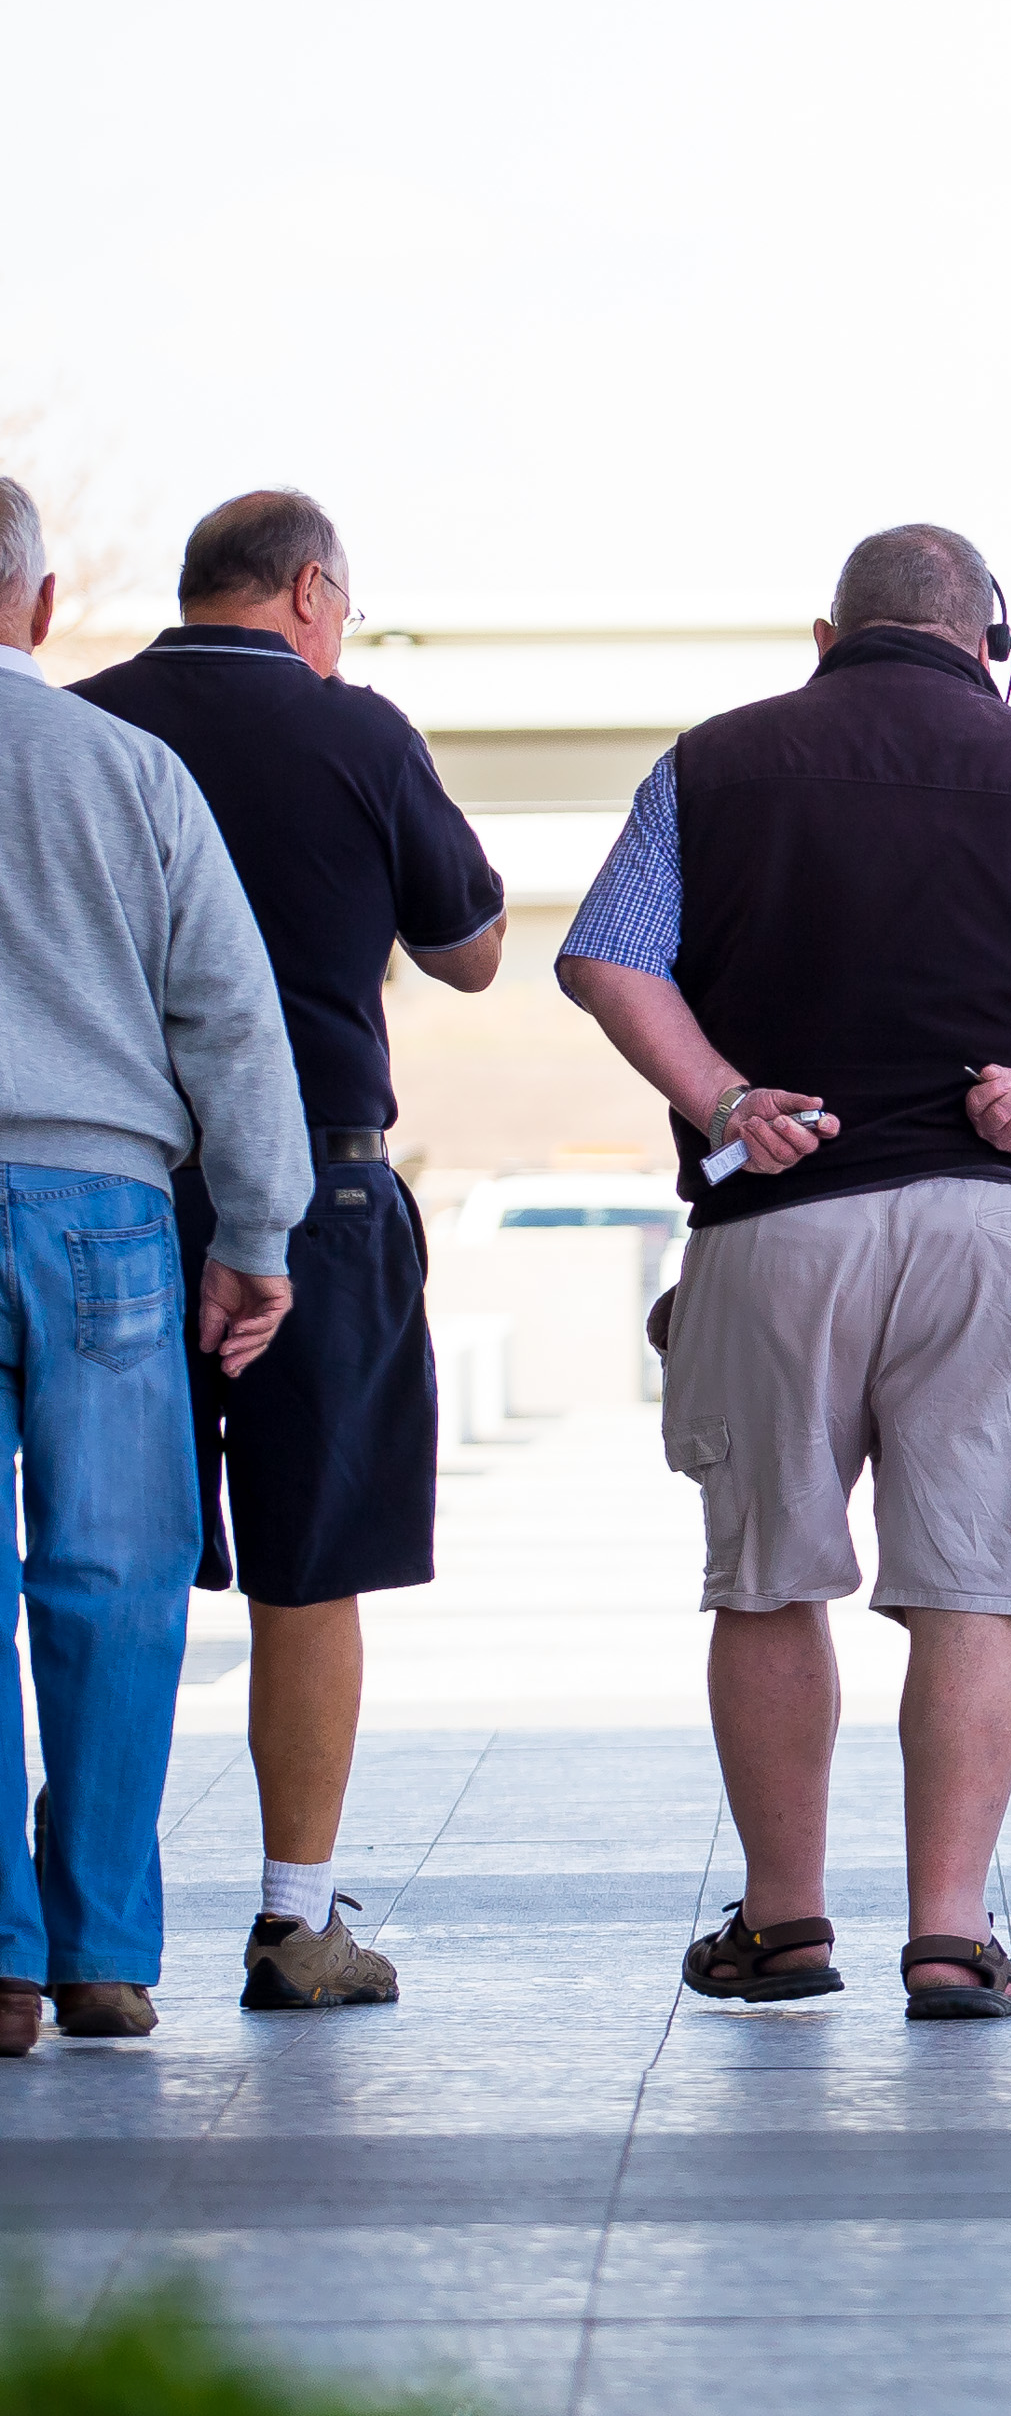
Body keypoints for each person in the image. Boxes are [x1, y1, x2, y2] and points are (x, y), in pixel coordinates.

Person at [555, 525, 1011, 2023]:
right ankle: (949, 1938)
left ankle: (786, 1927)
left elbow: (608, 956)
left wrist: (728, 1099)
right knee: (974, 1585)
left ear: (826, 636)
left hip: (776, 1218)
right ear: (989, 643)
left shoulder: (710, 766)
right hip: (994, 1224)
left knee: (770, 1578)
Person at [74, 491, 508, 2014]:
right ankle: (294, 1922)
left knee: (99, 1558)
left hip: (117, 1188)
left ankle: (87, 1930)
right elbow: (472, 950)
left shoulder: (82, 730)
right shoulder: (362, 732)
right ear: (313, 594)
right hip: (321, 1188)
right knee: (309, 1569)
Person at [0, 475, 306, 2057]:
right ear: (40, 607)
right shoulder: (129, 771)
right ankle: (105, 1952)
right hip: (105, 1210)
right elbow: (228, 1017)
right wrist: (256, 1234)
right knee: (115, 1583)